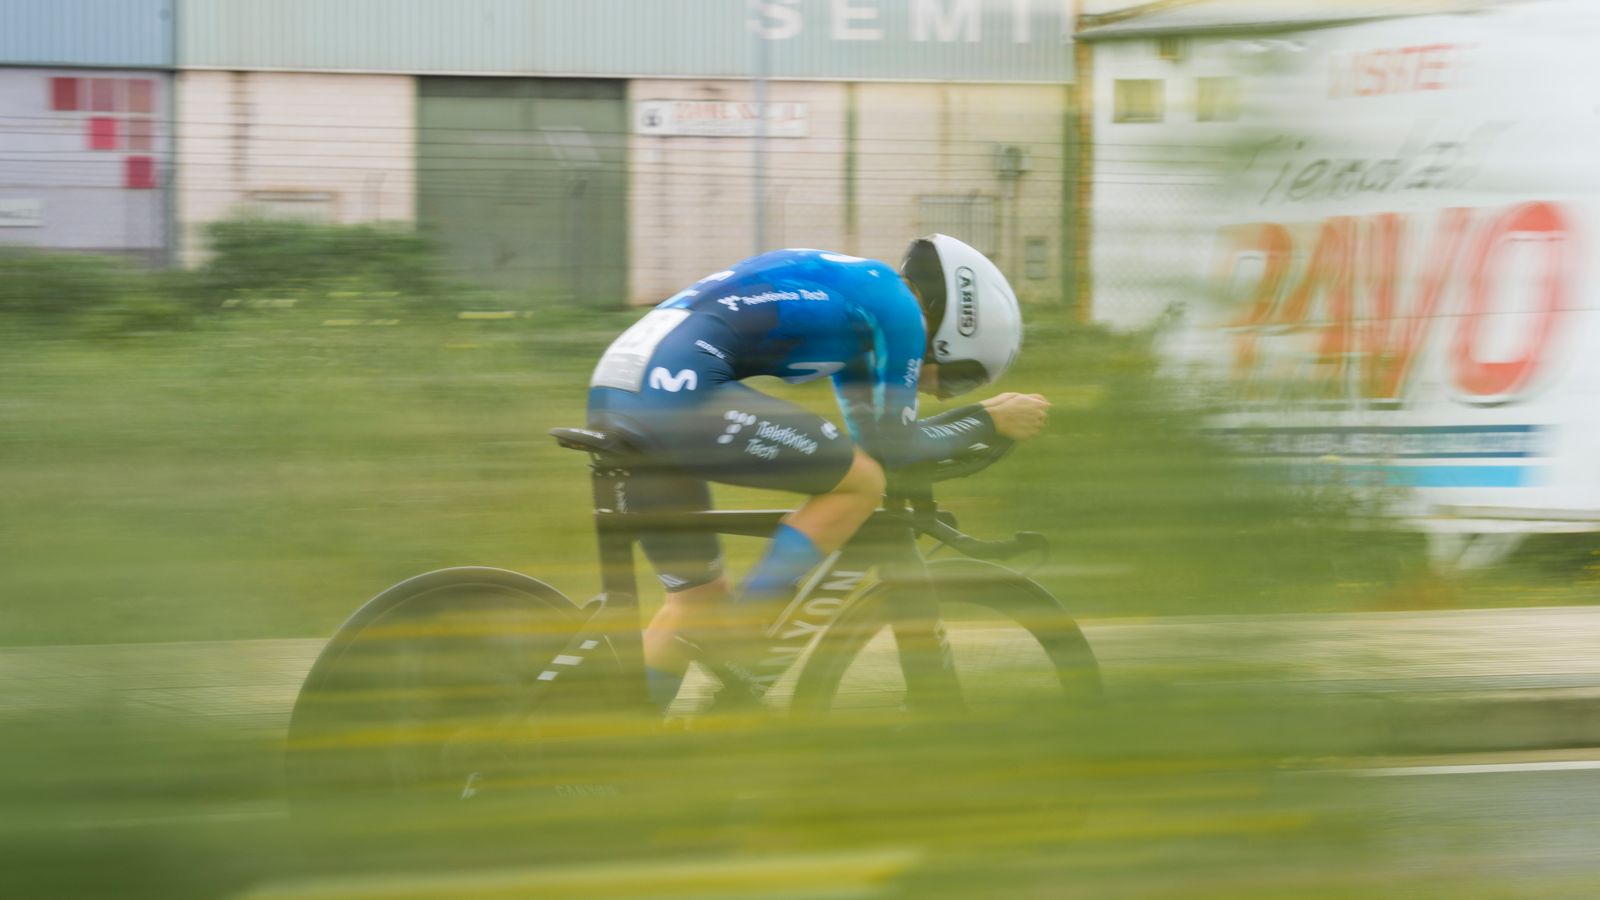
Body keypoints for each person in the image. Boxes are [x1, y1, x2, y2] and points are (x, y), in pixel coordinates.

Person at [587, 235, 1050, 711]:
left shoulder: (863, 301)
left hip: (620, 392)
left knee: (696, 603)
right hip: (676, 392)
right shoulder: (900, 310)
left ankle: (623, 750)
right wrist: (986, 420)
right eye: (962, 378)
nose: (945, 393)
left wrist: (971, 420)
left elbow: (879, 443)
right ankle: (744, 631)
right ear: (951, 332)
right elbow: (890, 451)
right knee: (862, 484)